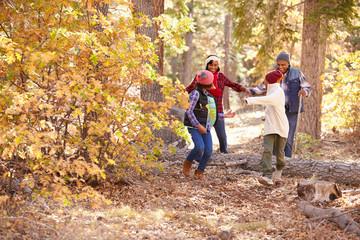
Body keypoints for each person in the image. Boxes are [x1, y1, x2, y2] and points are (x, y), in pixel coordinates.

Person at [248, 51, 312, 158]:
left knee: (288, 137)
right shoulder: (273, 75)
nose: (280, 67)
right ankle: (274, 161)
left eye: (283, 64)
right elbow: (261, 88)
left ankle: (287, 161)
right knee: (275, 135)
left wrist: (304, 92)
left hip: (292, 110)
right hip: (276, 110)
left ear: (288, 63)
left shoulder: (297, 73)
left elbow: (307, 86)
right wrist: (250, 91)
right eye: (278, 64)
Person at [186, 55, 250, 154]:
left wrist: (244, 89)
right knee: (204, 135)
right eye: (210, 65)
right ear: (207, 65)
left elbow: (233, 85)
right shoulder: (202, 76)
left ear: (218, 66)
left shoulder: (221, 77)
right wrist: (179, 94)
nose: (213, 67)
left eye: (215, 65)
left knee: (222, 137)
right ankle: (201, 156)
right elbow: (190, 88)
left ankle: (224, 154)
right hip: (204, 112)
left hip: (218, 111)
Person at [245, 70, 289, 185]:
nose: (264, 82)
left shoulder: (278, 91)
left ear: (269, 81)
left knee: (280, 155)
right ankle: (267, 176)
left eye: (265, 80)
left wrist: (250, 100)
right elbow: (272, 108)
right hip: (270, 127)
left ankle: (279, 171)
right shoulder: (271, 92)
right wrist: (267, 117)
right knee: (267, 150)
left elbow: (270, 100)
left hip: (281, 127)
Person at [183, 70, 217, 181]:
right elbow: (189, 110)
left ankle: (199, 172)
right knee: (199, 147)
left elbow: (209, 113)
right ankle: (188, 163)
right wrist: (197, 125)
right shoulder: (195, 93)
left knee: (208, 150)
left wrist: (224, 116)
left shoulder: (208, 96)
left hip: (205, 126)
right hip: (194, 126)